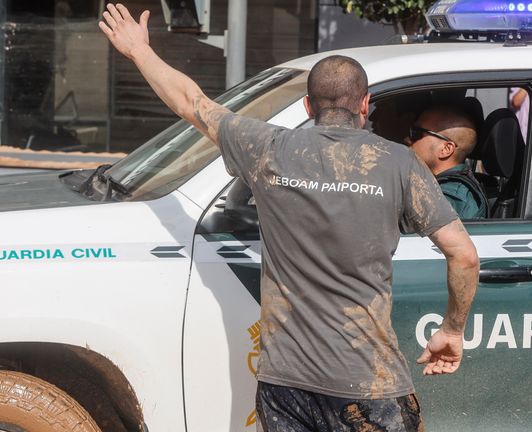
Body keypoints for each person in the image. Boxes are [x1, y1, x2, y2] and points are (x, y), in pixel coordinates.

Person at [99, 4, 479, 431]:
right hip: (369, 384)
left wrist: (139, 52)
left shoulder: (268, 148)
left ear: (306, 104)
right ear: (366, 104)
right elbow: (463, 255)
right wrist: (451, 329)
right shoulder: (399, 163)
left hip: (285, 385)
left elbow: (193, 104)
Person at [404, 106, 488, 219]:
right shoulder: (435, 185)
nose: (407, 139)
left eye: (416, 133)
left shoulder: (451, 198)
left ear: (446, 149)